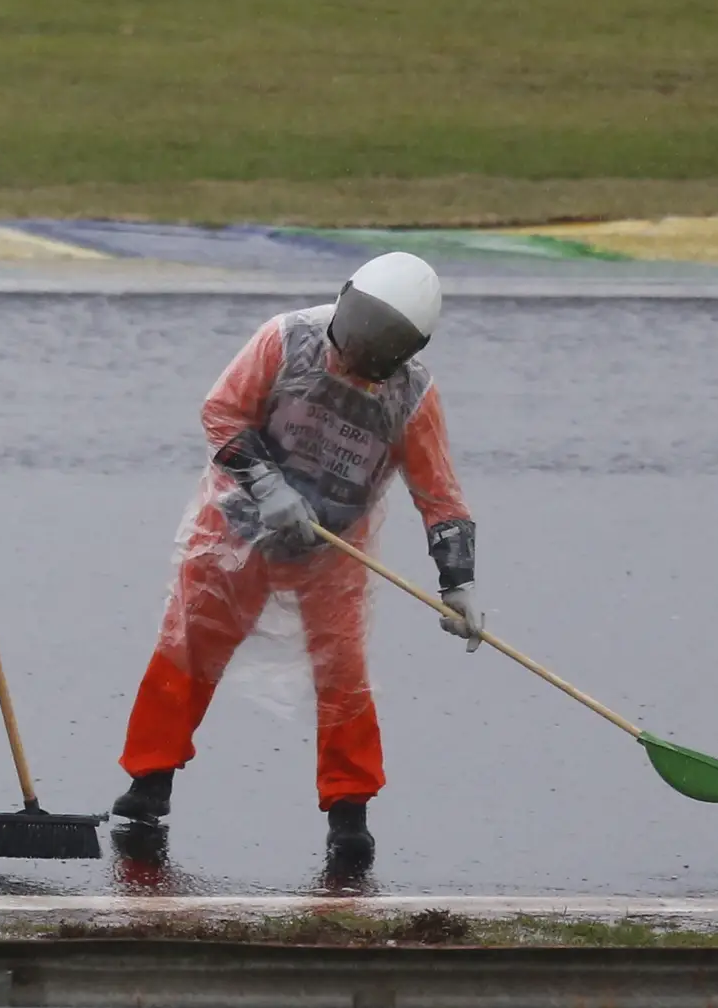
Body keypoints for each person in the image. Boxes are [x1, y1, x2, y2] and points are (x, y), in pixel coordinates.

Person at [108, 249, 479, 881]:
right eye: (357, 335)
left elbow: (439, 496)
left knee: (344, 676)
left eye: (379, 350)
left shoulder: (413, 397)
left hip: (333, 546)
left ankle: (349, 811)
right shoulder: (286, 340)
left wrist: (459, 581)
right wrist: (266, 484)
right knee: (189, 645)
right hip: (238, 526)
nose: (357, 356)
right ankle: (150, 782)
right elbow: (222, 412)